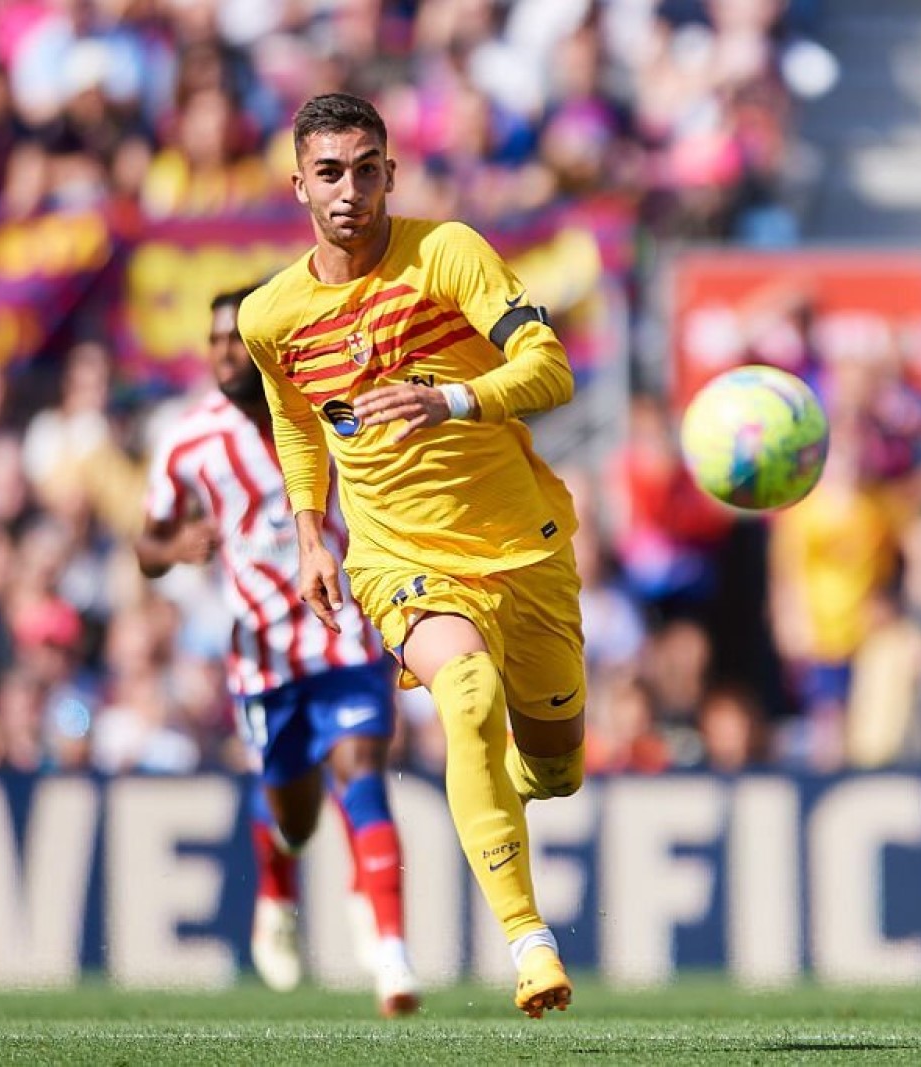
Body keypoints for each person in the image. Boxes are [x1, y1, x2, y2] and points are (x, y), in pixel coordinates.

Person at [238, 92, 587, 1019]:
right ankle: (529, 940)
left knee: (557, 768)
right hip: (400, 560)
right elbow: (298, 420)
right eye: (329, 172)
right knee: (464, 696)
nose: (348, 190)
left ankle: (521, 778)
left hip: (523, 548)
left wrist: (453, 400)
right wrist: (312, 533)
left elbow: (550, 366)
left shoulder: (448, 254)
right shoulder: (270, 317)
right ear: (299, 185)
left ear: (390, 172)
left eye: (366, 169)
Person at [137, 286, 420, 1017]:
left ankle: (391, 954)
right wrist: (175, 544)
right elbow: (146, 542)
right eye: (215, 341)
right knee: (295, 817)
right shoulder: (188, 440)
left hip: (348, 636)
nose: (226, 351)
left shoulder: (328, 410)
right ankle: (276, 889)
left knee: (363, 774)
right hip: (263, 657)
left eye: (237, 337)